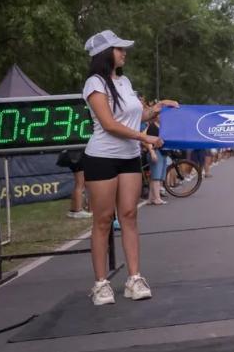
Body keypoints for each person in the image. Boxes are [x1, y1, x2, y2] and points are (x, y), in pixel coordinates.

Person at [79, 30, 178, 306]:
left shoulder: (124, 82)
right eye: (119, 49)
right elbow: (110, 124)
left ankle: (134, 279)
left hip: (129, 157)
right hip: (102, 157)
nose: (124, 53)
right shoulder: (94, 83)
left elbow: (138, 116)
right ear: (105, 53)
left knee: (129, 215)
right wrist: (145, 138)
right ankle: (101, 284)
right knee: (102, 220)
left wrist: (158, 107)